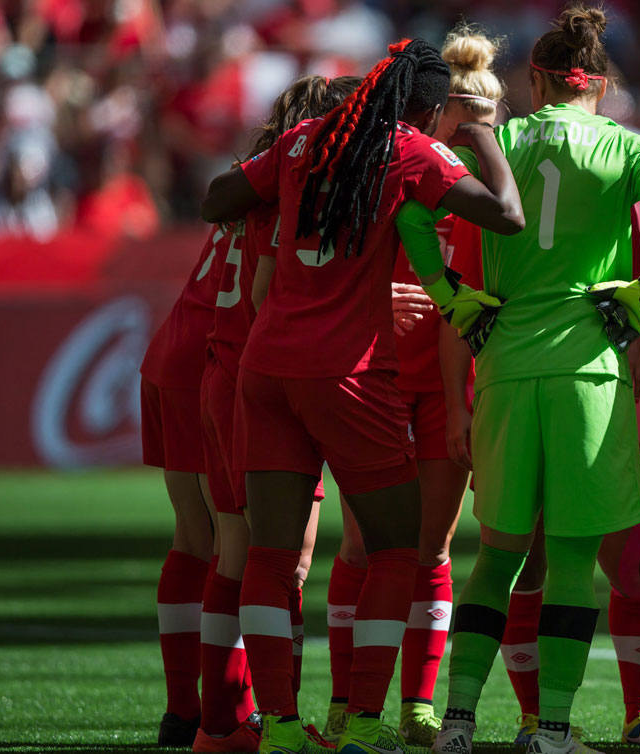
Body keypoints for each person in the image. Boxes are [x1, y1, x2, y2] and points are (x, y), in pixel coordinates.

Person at [201, 37, 524, 754]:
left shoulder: (304, 138)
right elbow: (507, 213)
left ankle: (281, 727)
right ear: (429, 108)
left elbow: (217, 197)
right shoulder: (410, 149)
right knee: (396, 551)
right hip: (347, 373)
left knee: (270, 554)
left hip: (266, 368)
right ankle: (368, 725)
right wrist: (481, 137)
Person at [420, 7, 640, 754]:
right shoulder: (622, 143)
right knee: (577, 564)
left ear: (539, 79)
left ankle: (456, 726)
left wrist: (453, 300)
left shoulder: (503, 140)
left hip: (507, 364)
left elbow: (413, 214)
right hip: (589, 370)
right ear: (600, 84)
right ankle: (551, 731)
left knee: (500, 556)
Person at [320, 25, 507, 748]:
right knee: (367, 546)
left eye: (490, 121)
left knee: (431, 550)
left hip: (447, 383)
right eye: (470, 117)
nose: (480, 130)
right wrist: (387, 301)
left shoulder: (488, 184)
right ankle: (346, 702)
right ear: (440, 111)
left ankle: (417, 705)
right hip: (378, 376)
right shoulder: (392, 161)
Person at [196, 73, 359, 754]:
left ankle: (233, 720)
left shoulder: (256, 187)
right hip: (262, 380)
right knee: (274, 561)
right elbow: (267, 293)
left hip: (224, 369)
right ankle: (250, 721)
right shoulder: (291, 199)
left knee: (235, 552)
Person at [493, 206, 640, 749]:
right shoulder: (504, 162)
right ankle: (535, 718)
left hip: (595, 382)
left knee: (635, 563)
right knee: (527, 565)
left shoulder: (615, 169)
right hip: (519, 377)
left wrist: (635, 337)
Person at [141, 197, 227, 750]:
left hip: (171, 353)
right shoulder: (299, 189)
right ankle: (232, 714)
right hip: (215, 359)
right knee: (243, 545)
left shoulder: (251, 184)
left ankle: (182, 712)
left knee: (194, 538)